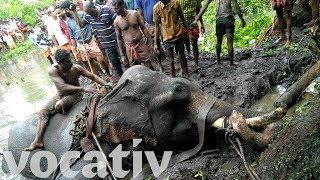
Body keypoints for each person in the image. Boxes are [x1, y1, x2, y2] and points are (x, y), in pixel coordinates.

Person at [25, 49, 112, 151]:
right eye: (67, 62)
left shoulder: (76, 68)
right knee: (43, 112)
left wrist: (106, 84)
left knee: (59, 105)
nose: (70, 63)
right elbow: (62, 87)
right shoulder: (53, 70)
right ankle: (37, 140)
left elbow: (92, 76)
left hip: (76, 95)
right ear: (59, 63)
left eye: (70, 60)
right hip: (60, 94)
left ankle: (54, 111)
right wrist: (83, 88)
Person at [194, 0, 246, 65]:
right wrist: (242, 19)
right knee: (230, 42)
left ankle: (218, 61)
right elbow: (236, 7)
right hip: (228, 18)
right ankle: (231, 63)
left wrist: (197, 18)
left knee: (219, 41)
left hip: (219, 20)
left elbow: (205, 6)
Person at [83, 0, 124, 78]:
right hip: (106, 44)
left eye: (90, 12)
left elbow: (117, 20)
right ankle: (123, 78)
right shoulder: (87, 15)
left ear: (94, 7)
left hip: (117, 40)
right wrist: (74, 12)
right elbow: (81, 24)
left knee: (125, 59)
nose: (89, 14)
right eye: (87, 12)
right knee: (115, 62)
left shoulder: (106, 9)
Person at [113, 0, 154, 69]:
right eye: (114, 8)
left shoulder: (135, 14)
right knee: (135, 68)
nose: (115, 11)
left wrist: (151, 43)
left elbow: (143, 28)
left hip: (140, 43)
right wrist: (122, 55)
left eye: (116, 8)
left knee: (148, 65)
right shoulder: (117, 21)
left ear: (122, 7)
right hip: (129, 47)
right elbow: (119, 38)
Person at [153, 0, 189, 77]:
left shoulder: (176, 3)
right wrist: (155, 43)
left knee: (182, 56)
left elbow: (182, 18)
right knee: (171, 60)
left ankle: (186, 74)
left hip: (178, 33)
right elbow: (156, 26)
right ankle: (173, 79)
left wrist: (187, 31)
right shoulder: (156, 8)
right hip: (166, 36)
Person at [135, 0, 164, 72]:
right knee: (155, 43)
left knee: (168, 41)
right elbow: (140, 12)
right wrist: (143, 26)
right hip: (150, 24)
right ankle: (160, 65)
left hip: (163, 21)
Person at [178, 0, 205, 66]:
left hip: (193, 24)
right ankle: (186, 58)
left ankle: (196, 63)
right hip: (181, 24)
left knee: (194, 43)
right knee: (182, 43)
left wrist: (202, 24)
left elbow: (199, 11)